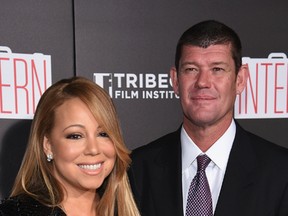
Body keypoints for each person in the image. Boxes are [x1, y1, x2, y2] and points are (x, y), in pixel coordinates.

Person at [128, 20, 288, 216]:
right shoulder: (135, 170)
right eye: (191, 69)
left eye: (217, 69)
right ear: (175, 80)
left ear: (240, 79)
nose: (203, 82)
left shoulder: (281, 172)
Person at [0, 76, 140, 216]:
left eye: (103, 134)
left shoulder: (131, 207)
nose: (93, 149)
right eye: (75, 136)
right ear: (47, 145)